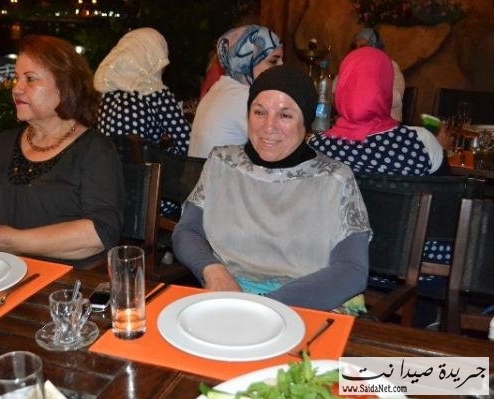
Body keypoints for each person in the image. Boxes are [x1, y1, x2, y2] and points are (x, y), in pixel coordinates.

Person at [172, 65, 371, 312]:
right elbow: (187, 231)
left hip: (306, 305)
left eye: (285, 115)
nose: (268, 126)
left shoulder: (335, 180)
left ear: (306, 122)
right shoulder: (222, 163)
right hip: (230, 295)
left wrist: (267, 305)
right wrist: (212, 270)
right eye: (259, 112)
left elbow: (352, 270)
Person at [0, 35, 125, 268]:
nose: (16, 89)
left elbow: (99, 232)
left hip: (61, 281)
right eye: (17, 78)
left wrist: (12, 242)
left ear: (65, 86)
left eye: (30, 79)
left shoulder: (94, 150)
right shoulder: (1, 144)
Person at [309, 46, 446, 176]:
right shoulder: (421, 143)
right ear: (386, 89)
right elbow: (446, 189)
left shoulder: (316, 147)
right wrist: (440, 149)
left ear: (340, 87)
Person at [187, 24, 284, 158]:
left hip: (205, 170)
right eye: (273, 61)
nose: (281, 66)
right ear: (247, 60)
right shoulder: (245, 96)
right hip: (220, 171)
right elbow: (280, 149)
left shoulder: (221, 87)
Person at [94, 27, 191, 156]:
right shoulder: (154, 93)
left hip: (107, 166)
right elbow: (187, 142)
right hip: (141, 168)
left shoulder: (106, 92)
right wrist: (163, 155)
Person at [343, 27, 405, 122]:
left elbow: (396, 98)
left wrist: (370, 94)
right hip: (356, 123)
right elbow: (335, 90)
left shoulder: (390, 66)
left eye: (363, 47)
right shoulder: (352, 65)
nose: (358, 51)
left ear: (375, 48)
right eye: (355, 47)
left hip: (386, 124)